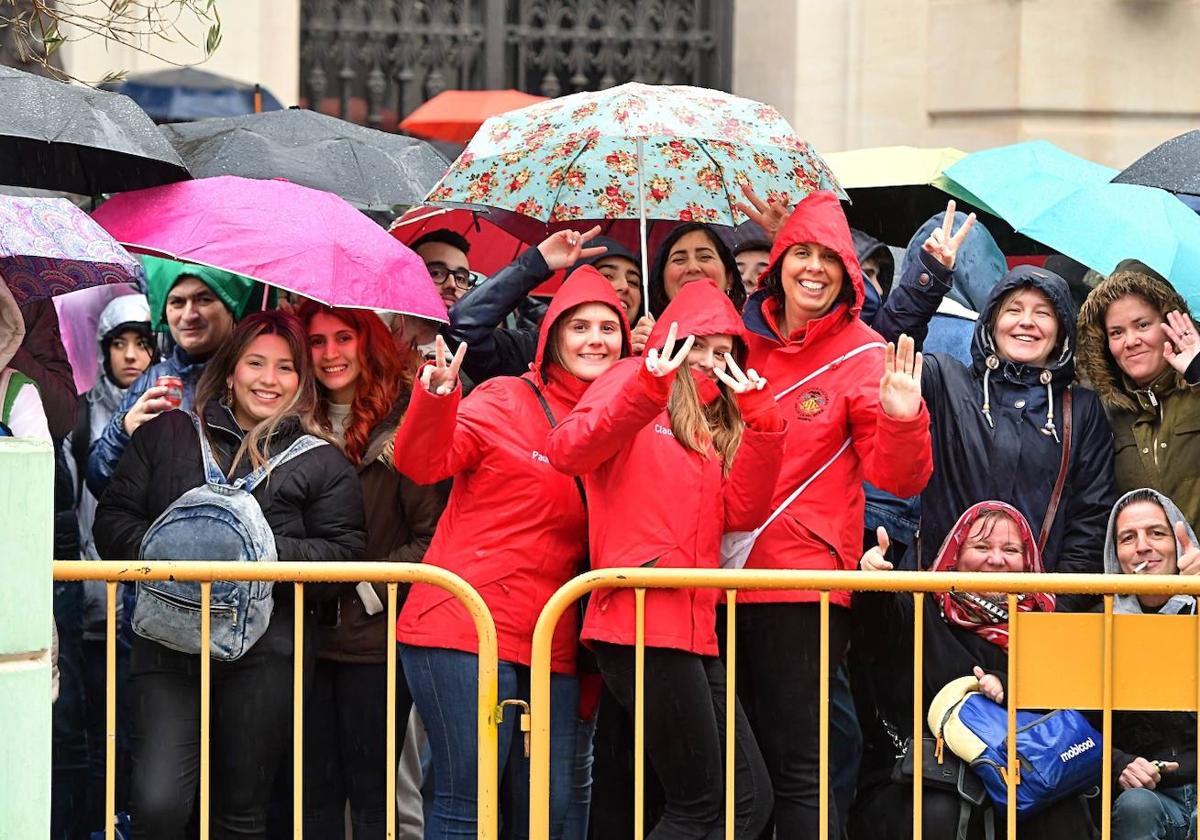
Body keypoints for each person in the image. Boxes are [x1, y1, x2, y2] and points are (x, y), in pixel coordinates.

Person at [93, 311, 366, 840]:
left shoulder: (324, 463)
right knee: (157, 805)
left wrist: (252, 552)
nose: (269, 380)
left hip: (269, 652)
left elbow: (345, 554)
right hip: (167, 644)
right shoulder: (168, 433)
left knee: (241, 813)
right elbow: (112, 522)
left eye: (286, 368)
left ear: (302, 380)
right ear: (230, 370)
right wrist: (176, 551)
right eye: (255, 363)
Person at [392, 267, 630, 839]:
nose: (595, 339)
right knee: (468, 803)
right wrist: (437, 398)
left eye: (608, 327)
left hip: (553, 636)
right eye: (579, 327)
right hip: (464, 623)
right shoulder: (503, 396)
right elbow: (422, 465)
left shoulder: (626, 424)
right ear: (551, 337)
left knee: (547, 810)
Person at [546, 279, 785, 839]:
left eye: (721, 351)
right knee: (701, 806)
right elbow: (567, 449)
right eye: (697, 344)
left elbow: (742, 514)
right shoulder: (632, 380)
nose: (706, 360)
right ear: (671, 339)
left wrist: (764, 424)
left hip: (693, 627)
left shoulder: (714, 422)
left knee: (747, 802)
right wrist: (648, 386)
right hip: (639, 620)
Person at [731, 189, 933, 838]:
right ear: (778, 262)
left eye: (829, 258)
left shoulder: (865, 353)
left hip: (801, 588)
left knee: (800, 773)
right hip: (714, 577)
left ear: (850, 274)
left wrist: (905, 421)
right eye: (801, 253)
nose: (814, 269)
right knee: (735, 781)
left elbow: (895, 476)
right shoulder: (737, 340)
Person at [871, 202, 1117, 597]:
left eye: (1043, 313)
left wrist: (1057, 612)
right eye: (1013, 309)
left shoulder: (1082, 410)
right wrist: (928, 278)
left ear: (1060, 332)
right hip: (938, 613)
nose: (1026, 321)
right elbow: (880, 351)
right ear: (990, 321)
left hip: (1036, 618)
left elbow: (1090, 519)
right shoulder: (946, 380)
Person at [848, 502, 1095, 840]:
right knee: (937, 814)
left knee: (1063, 813)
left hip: (1022, 778)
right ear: (955, 555)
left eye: (1011, 549)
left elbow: (1065, 720)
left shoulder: (1044, 626)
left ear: (1027, 563)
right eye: (981, 547)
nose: (996, 559)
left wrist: (1008, 687)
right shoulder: (920, 608)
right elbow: (877, 621)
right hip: (919, 776)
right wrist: (870, 583)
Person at [298, 301, 445, 839]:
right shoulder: (288, 420)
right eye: (317, 342)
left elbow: (431, 538)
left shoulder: (404, 421)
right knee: (312, 797)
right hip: (303, 636)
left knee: (374, 799)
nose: (331, 354)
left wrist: (364, 582)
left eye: (343, 338)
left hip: (375, 637)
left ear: (368, 342)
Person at [62, 293, 157, 834]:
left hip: (146, 599)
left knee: (144, 726)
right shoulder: (80, 413)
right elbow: (77, 509)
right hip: (96, 598)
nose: (130, 356)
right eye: (118, 344)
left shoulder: (171, 403)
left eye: (140, 344)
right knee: (101, 727)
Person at [87, 257, 269, 497]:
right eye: (177, 302)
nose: (189, 314)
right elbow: (100, 482)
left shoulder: (260, 379)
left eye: (204, 299)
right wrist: (124, 430)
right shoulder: (152, 382)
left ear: (230, 306)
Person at [1102, 488, 1198, 840]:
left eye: (1157, 533)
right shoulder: (1100, 625)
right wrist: (1119, 764)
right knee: (1136, 807)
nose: (1143, 546)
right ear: (1116, 556)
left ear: (1179, 542)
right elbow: (1076, 726)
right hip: (1152, 802)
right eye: (1128, 538)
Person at [1076, 267, 1200, 529]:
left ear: (1170, 325)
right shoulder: (1100, 414)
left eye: (1143, 325)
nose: (1130, 341)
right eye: (1116, 332)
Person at [444, 227, 642, 382]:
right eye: (606, 275)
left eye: (634, 281)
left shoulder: (654, 363)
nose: (624, 286)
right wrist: (537, 262)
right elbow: (463, 328)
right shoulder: (534, 351)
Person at [631, 222, 748, 355]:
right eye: (679, 259)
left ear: (729, 278)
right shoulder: (638, 343)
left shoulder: (754, 339)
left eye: (705, 257)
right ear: (661, 279)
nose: (692, 267)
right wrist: (625, 351)